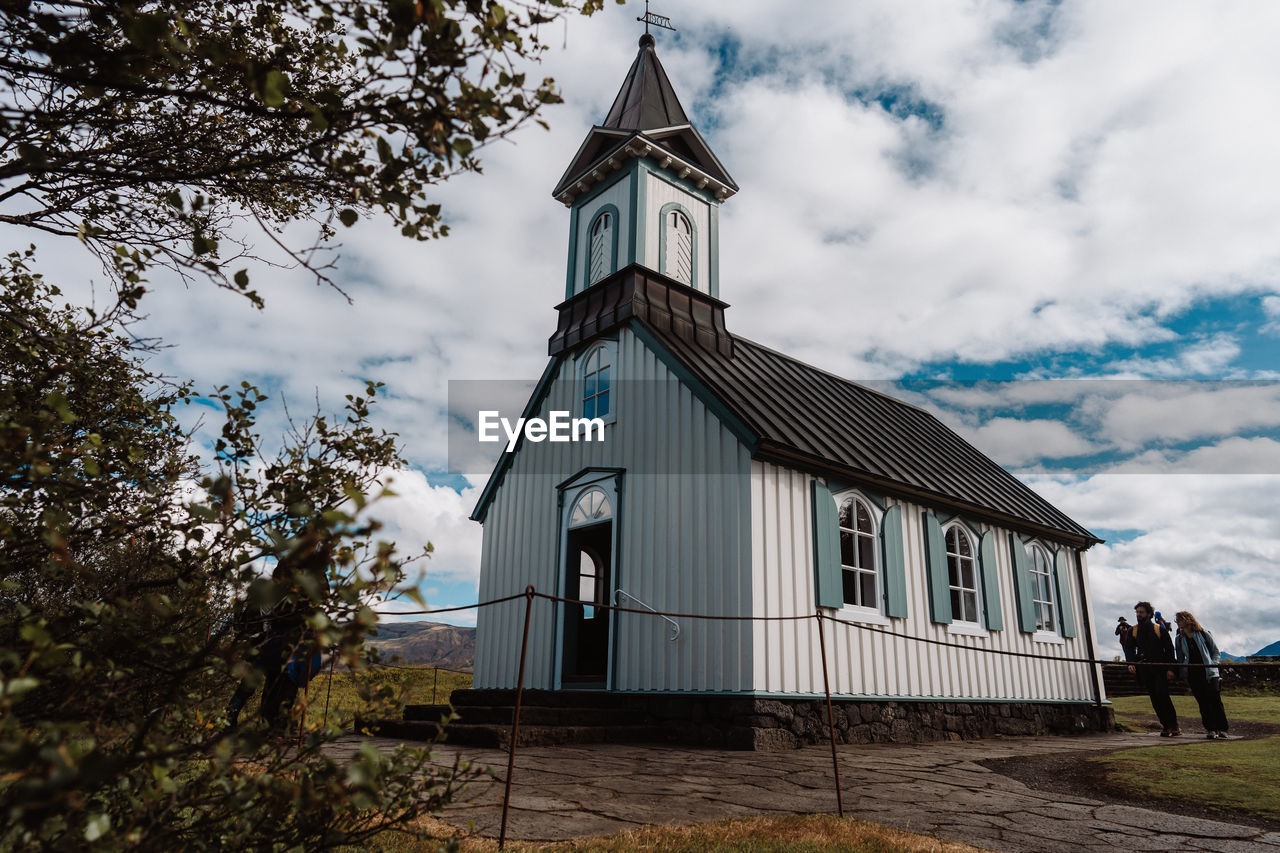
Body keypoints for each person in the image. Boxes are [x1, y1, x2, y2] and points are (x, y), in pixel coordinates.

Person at [1124, 600, 1180, 736]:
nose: (1138, 615)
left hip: (1160, 668)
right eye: (1137, 612)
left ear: (1149, 614)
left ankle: (1174, 726)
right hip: (1145, 669)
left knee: (1163, 695)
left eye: (1141, 612)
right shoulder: (1133, 630)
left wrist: (1171, 669)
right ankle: (1166, 726)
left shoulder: (1159, 629)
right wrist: (1130, 662)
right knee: (1154, 698)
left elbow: (1169, 650)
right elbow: (1129, 649)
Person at [1175, 610, 1230, 739]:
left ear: (1187, 620)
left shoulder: (1204, 634)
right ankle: (1211, 729)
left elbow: (1216, 652)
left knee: (1215, 700)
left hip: (1210, 672)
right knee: (1202, 702)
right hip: (1193, 673)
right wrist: (1184, 674)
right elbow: (1180, 658)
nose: (1177, 623)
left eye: (1179, 620)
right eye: (1176, 621)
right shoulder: (1179, 639)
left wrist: (1212, 664)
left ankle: (1223, 728)